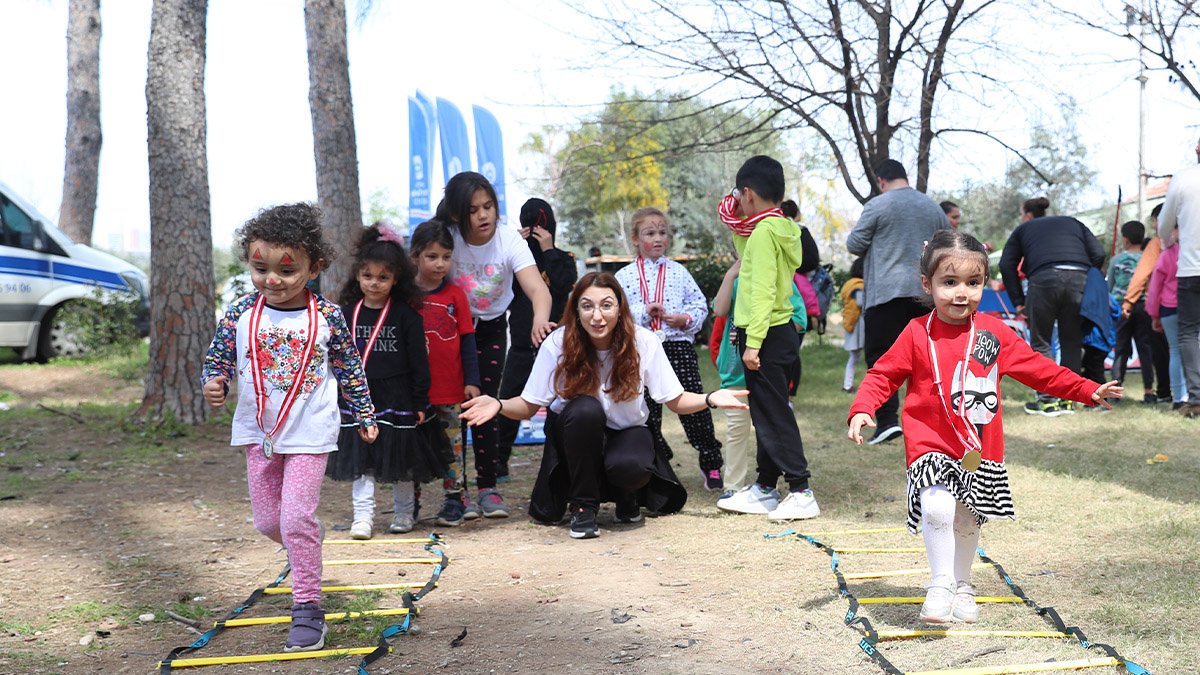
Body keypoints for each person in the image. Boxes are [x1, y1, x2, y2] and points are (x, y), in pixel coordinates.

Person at [848, 230, 1122, 625]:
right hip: (930, 441)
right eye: (949, 282)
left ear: (984, 283)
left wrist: (1088, 389)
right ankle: (941, 583)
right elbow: (882, 375)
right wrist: (863, 408)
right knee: (937, 507)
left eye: (973, 283)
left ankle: (962, 584)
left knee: (966, 517)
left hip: (979, 448)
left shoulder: (995, 333)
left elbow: (1040, 370)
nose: (962, 293)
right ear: (927, 284)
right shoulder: (916, 333)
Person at [201, 203, 377, 653]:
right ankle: (305, 545)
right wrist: (215, 381)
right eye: (260, 269)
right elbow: (218, 358)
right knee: (268, 521)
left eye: (286, 270)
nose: (271, 280)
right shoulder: (240, 311)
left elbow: (349, 367)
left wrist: (364, 413)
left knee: (295, 517)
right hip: (259, 431)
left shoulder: (328, 316)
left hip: (311, 431)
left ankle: (308, 607)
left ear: (314, 267)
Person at [459, 272, 749, 539]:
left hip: (626, 432)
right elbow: (528, 405)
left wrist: (710, 398)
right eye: (587, 306)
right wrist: (498, 404)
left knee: (631, 464)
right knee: (585, 409)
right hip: (575, 435)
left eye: (606, 306)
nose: (597, 316)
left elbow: (675, 399)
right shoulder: (558, 343)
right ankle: (583, 507)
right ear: (576, 310)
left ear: (620, 308)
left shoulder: (644, 342)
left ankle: (627, 495)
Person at [436, 171, 554, 517]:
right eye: (473, 210)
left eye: (488, 206)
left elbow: (538, 288)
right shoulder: (447, 237)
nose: (483, 215)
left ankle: (488, 487)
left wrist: (539, 319)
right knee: (451, 410)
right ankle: (455, 494)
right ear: (457, 213)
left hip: (489, 331)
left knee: (486, 404)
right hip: (448, 331)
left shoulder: (508, 240)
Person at [714, 155, 819, 520]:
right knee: (767, 413)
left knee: (774, 416)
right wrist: (737, 224)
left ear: (748, 193)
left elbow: (760, 291)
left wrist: (753, 343)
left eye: (739, 196)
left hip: (766, 334)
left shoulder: (763, 234)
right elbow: (750, 259)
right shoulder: (780, 228)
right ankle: (764, 488)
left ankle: (801, 490)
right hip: (779, 331)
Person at [325, 223, 444, 539]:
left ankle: (404, 513)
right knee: (361, 458)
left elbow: (419, 363)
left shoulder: (407, 316)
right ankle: (363, 517)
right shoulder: (345, 314)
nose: (374, 283)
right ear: (357, 275)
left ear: (396, 279)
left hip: (398, 396)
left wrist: (420, 401)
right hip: (358, 397)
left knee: (400, 457)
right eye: (367, 275)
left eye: (383, 277)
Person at [615, 207, 724, 491]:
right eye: (650, 233)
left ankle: (710, 461)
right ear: (635, 239)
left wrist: (684, 319)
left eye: (662, 232)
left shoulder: (679, 272)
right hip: (640, 350)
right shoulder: (624, 276)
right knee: (644, 409)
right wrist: (643, 311)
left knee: (693, 404)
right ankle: (658, 459)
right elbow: (616, 312)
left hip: (677, 346)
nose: (658, 238)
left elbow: (699, 305)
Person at [846, 159, 952, 444]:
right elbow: (948, 245)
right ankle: (932, 421)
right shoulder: (932, 207)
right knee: (928, 360)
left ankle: (887, 422)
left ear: (881, 181)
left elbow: (854, 244)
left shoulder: (877, 205)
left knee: (883, 360)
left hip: (886, 294)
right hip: (926, 295)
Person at [998, 197, 1106, 416]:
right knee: (1071, 342)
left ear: (1027, 215)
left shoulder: (1023, 229)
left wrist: (1018, 301)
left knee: (1041, 342)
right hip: (1078, 280)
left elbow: (1006, 264)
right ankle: (1069, 400)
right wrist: (1084, 274)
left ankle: (1047, 401)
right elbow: (1099, 253)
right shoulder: (1072, 222)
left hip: (1043, 280)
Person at [496, 198, 577, 482]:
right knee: (507, 403)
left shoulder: (563, 258)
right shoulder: (517, 259)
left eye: (541, 226)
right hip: (521, 347)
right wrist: (515, 248)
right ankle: (498, 463)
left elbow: (564, 285)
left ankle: (564, 461)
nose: (536, 231)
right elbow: (501, 291)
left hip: (558, 347)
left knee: (563, 405)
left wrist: (548, 250)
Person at [408, 221, 481, 527]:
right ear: (415, 256)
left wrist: (472, 381)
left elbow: (467, 340)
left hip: (450, 389)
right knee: (413, 446)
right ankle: (409, 502)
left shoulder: (456, 295)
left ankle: (455, 498)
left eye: (446, 257)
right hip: (413, 394)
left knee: (453, 446)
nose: (440, 264)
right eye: (432, 256)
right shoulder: (404, 296)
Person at [1157, 137, 1200, 418]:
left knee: (1188, 334)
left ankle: (1196, 398)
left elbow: (1164, 222)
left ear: (1197, 150)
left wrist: (1165, 242)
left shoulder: (1183, 179)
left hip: (1191, 269)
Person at [710, 259, 754, 498]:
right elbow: (719, 310)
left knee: (769, 429)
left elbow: (799, 319)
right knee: (737, 430)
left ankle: (768, 484)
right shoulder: (735, 280)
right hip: (735, 372)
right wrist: (730, 275)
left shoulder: (780, 277)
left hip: (766, 370)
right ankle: (733, 487)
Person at [1107, 220, 1160, 403]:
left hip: (1122, 307)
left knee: (1120, 349)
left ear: (1125, 239)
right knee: (1145, 348)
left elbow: (1109, 287)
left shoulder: (1116, 260)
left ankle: (1115, 391)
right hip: (1144, 307)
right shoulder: (1149, 259)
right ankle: (1148, 391)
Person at [1146, 239, 1189, 408]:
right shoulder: (1194, 250)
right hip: (1191, 306)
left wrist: (1154, 314)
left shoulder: (1167, 254)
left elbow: (1155, 286)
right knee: (1194, 349)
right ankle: (1194, 394)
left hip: (1168, 308)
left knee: (1175, 351)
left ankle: (1179, 397)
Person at [840, 257, 866, 392]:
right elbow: (861, 303)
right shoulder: (859, 286)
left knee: (854, 357)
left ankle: (847, 385)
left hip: (851, 323)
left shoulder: (849, 284)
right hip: (858, 325)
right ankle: (848, 385)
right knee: (858, 356)